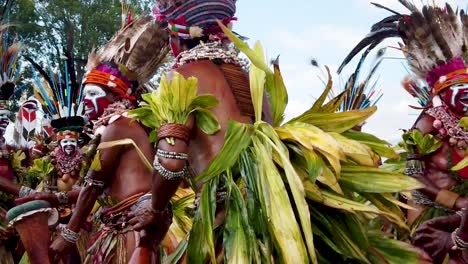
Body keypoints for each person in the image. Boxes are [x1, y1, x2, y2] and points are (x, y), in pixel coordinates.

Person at [337, 2, 468, 263]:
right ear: (441, 97)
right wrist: (456, 202)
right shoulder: (429, 122)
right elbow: (413, 179)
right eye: (460, 91)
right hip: (434, 217)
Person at [46, 14, 172, 263]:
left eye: (92, 93)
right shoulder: (124, 124)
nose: (84, 100)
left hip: (135, 232)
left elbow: (93, 188)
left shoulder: (120, 126)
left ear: (114, 96)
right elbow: (98, 185)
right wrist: (50, 197)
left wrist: (69, 234)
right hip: (121, 225)